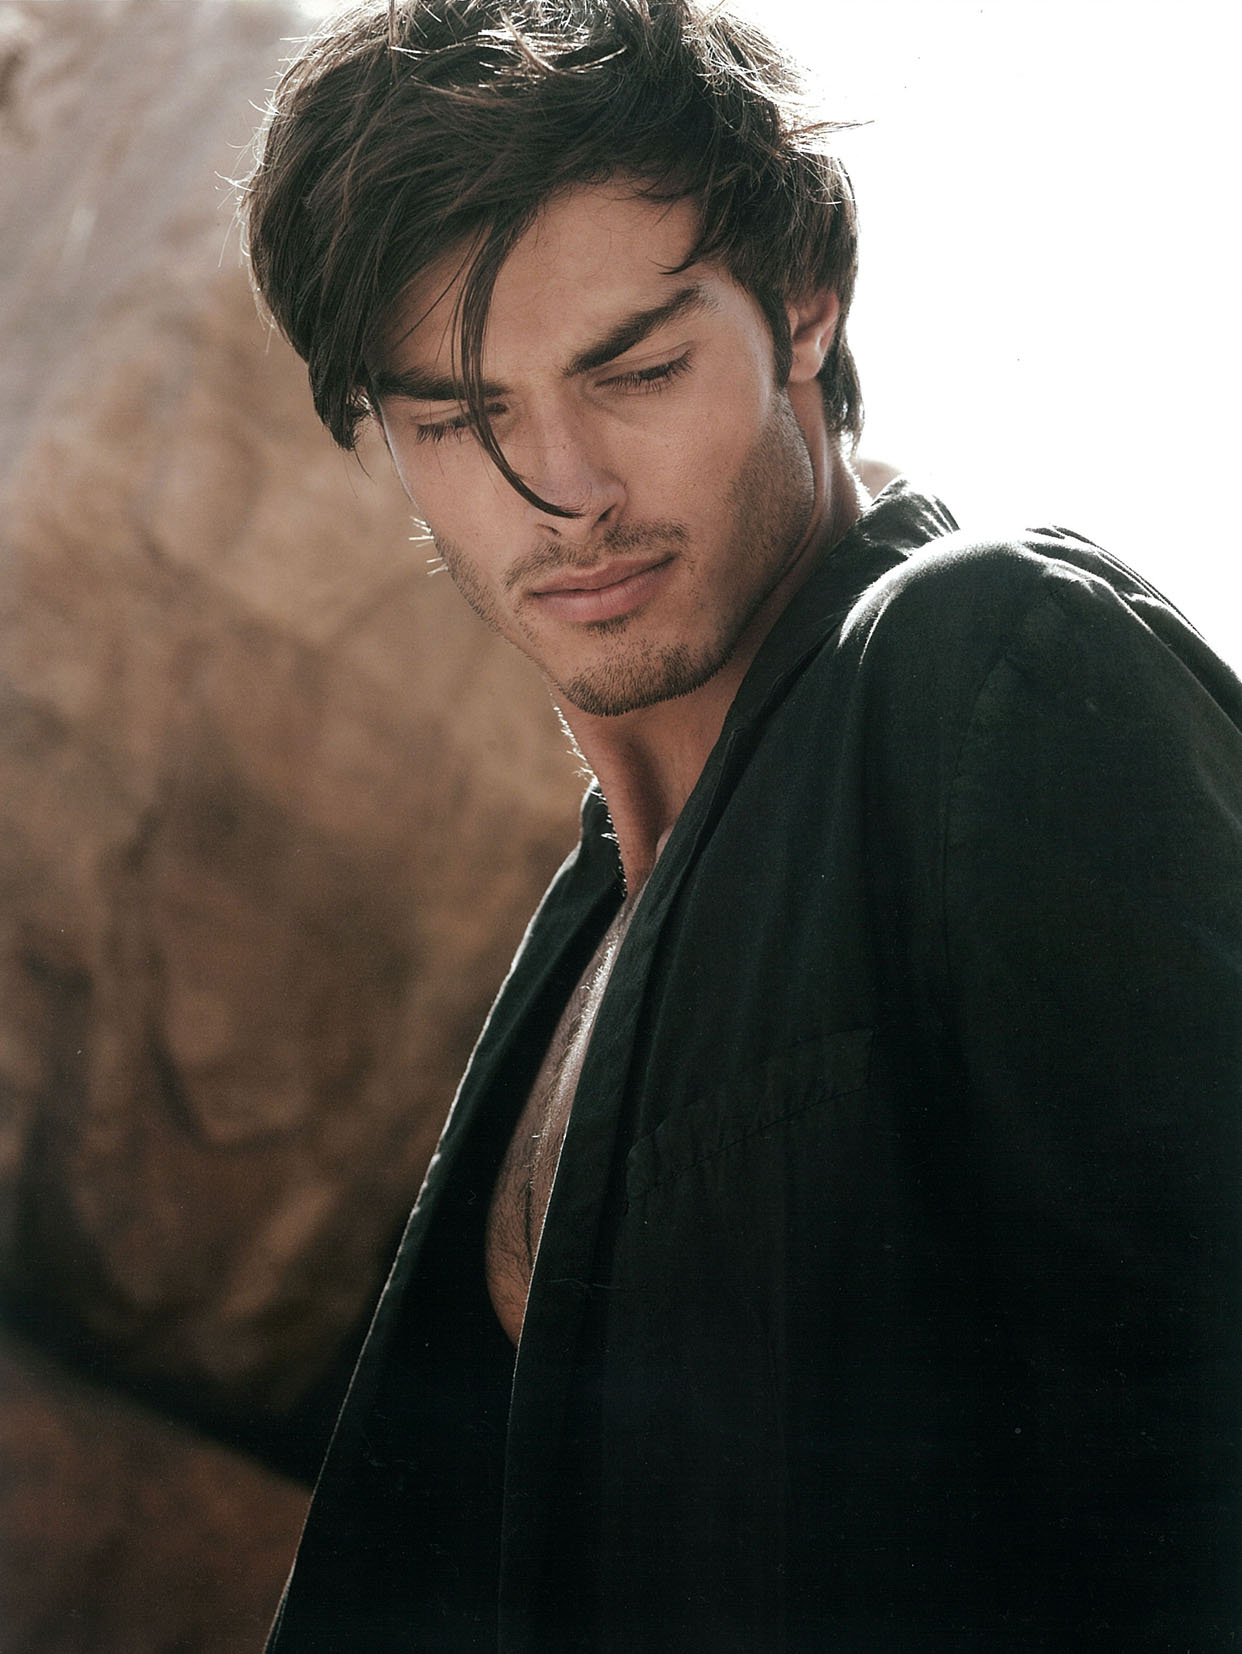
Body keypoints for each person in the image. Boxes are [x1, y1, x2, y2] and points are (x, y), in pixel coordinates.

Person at [242, 1, 1242, 1647]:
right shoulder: (588, 932)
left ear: (801, 306)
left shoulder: (988, 665)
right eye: (459, 420)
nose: (564, 490)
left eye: (635, 370)